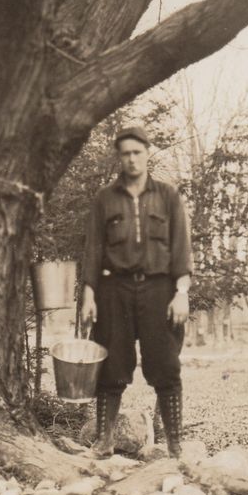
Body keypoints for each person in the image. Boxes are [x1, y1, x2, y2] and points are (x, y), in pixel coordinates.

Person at [80, 125, 192, 458]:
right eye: (125, 153)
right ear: (119, 157)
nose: (131, 159)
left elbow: (181, 248)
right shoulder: (105, 199)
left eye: (137, 152)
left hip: (160, 289)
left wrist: (182, 291)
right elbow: (92, 251)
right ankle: (103, 442)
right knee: (111, 366)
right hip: (114, 289)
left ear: (147, 153)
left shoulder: (167, 196)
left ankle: (175, 445)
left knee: (165, 365)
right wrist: (88, 294)